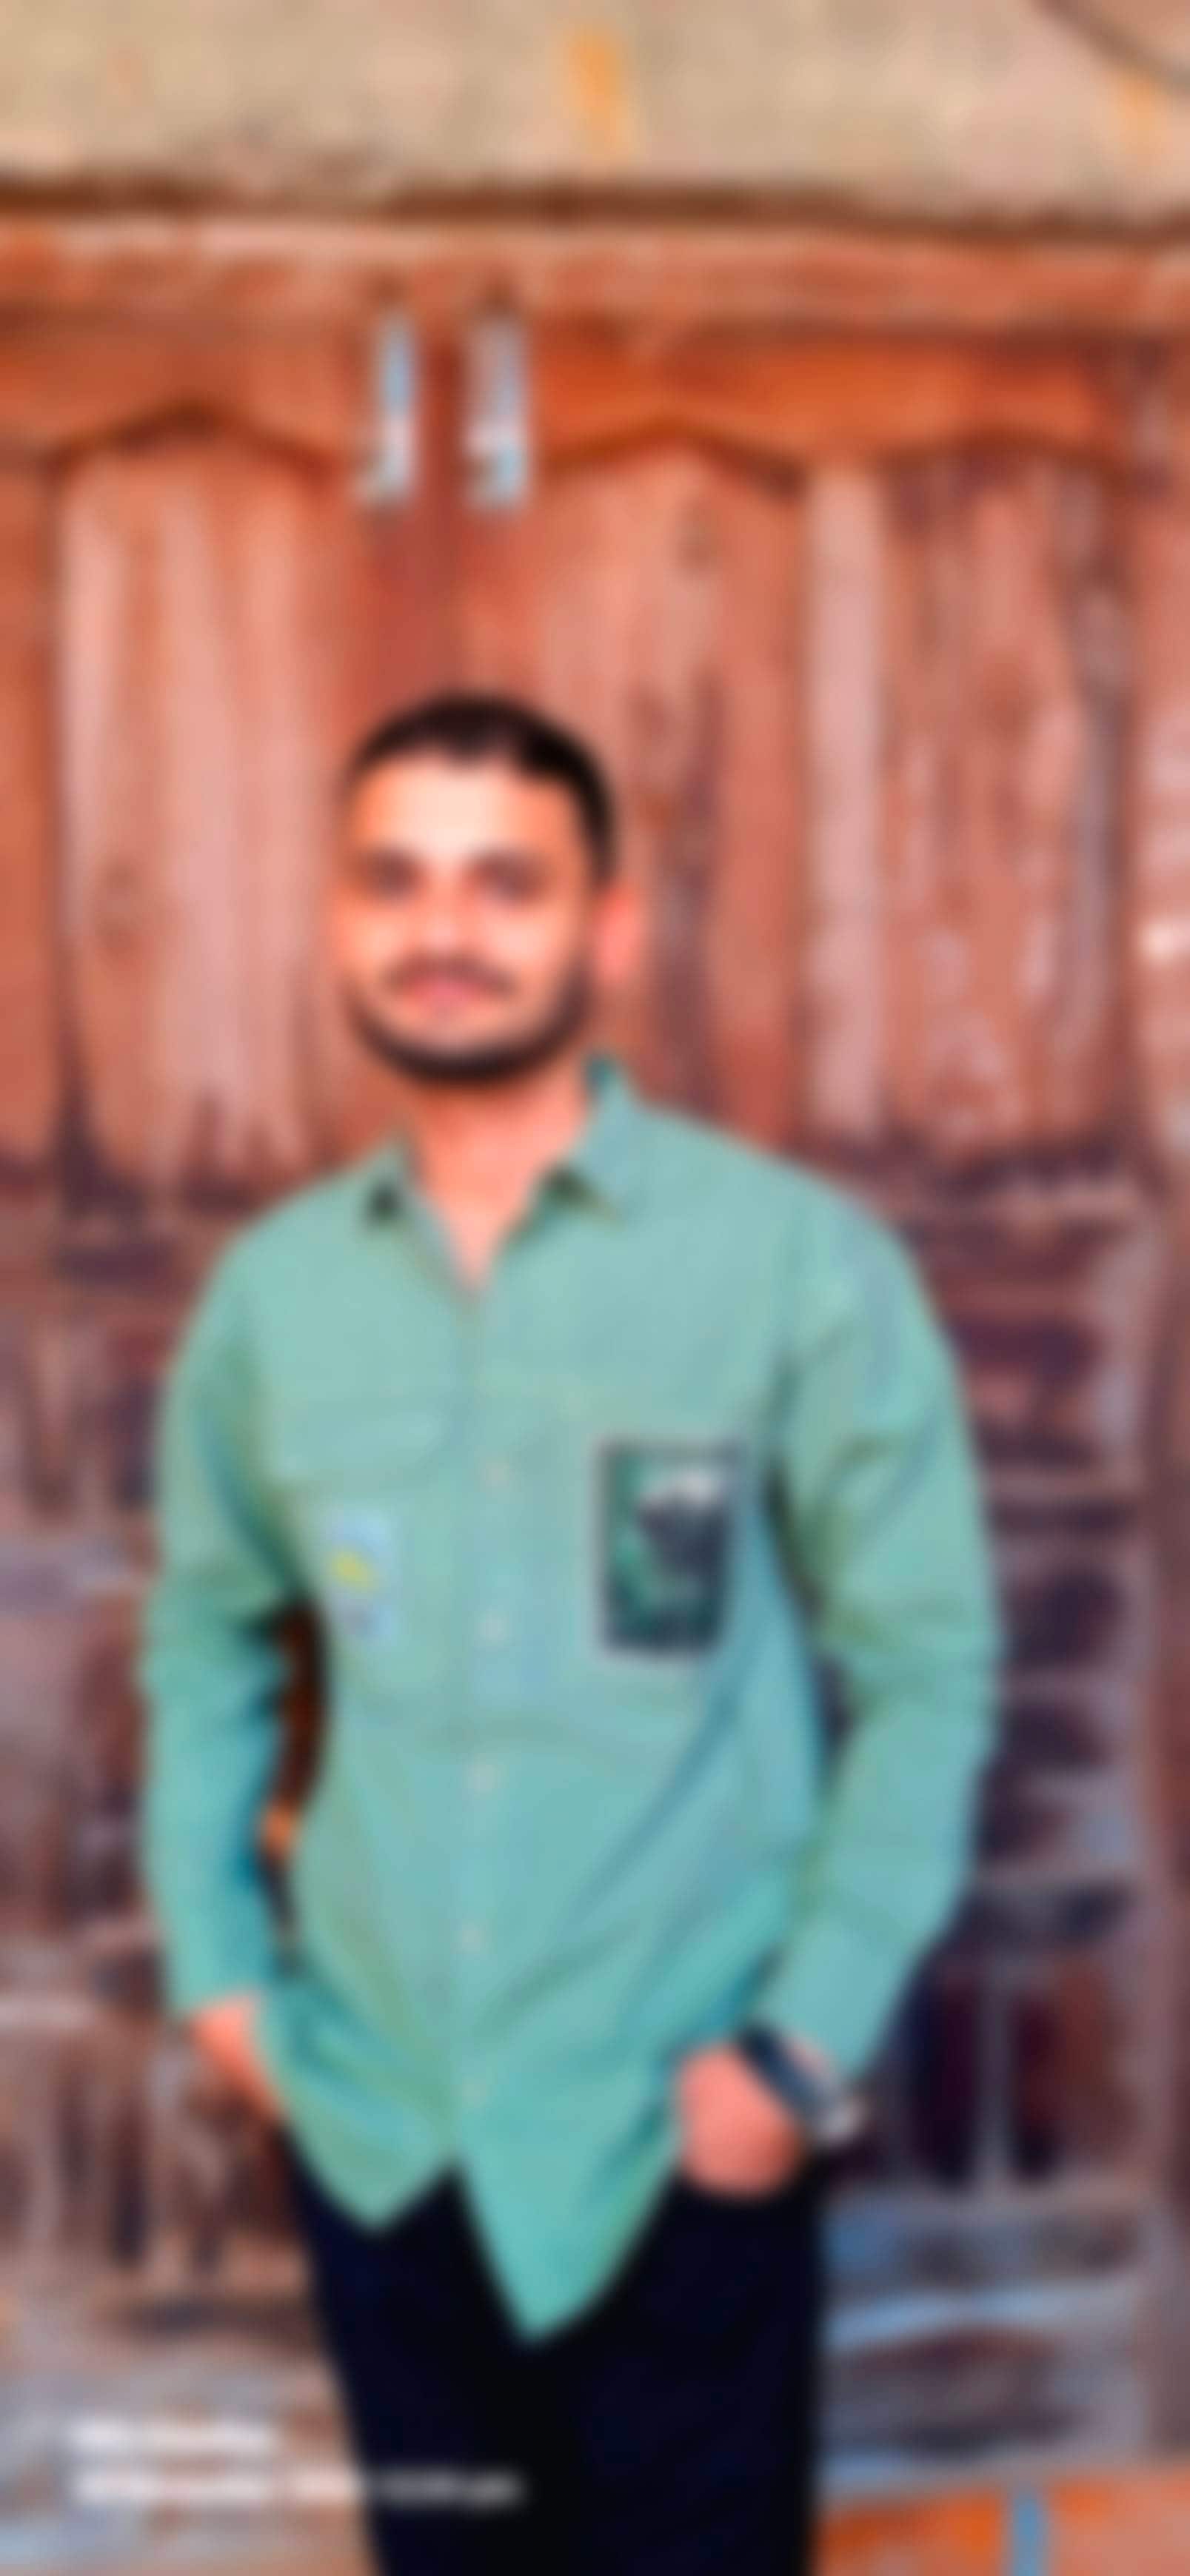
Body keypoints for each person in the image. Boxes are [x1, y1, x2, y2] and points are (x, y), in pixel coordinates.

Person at [136, 688, 1006, 2575]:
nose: (443, 930)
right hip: (380, 2143)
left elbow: (929, 1669)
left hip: (678, 2155)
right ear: (339, 922)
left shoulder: (792, 1263)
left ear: (606, 933)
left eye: (504, 885)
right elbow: (206, 1640)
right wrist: (223, 1986)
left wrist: (794, 2060)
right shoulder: (273, 1302)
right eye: (396, 882)